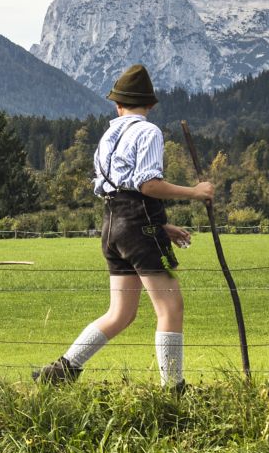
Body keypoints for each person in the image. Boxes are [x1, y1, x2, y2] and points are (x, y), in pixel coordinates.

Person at [34, 65, 214, 389]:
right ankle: (173, 389)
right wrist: (195, 193)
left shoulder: (108, 136)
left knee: (120, 312)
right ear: (151, 104)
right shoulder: (149, 132)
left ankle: (63, 369)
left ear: (118, 105)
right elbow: (147, 186)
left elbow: (118, 192)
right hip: (138, 226)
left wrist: (162, 226)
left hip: (112, 225)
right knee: (170, 306)